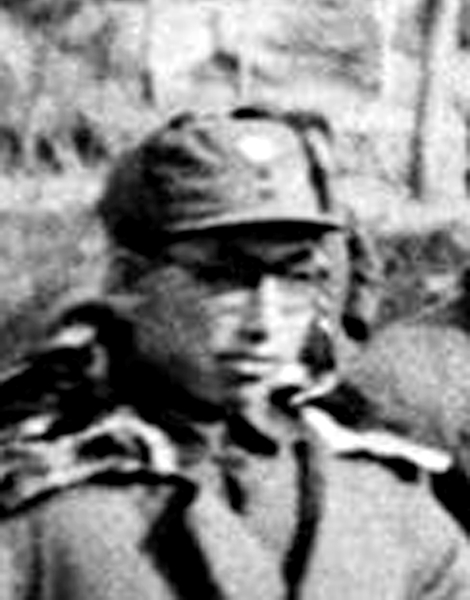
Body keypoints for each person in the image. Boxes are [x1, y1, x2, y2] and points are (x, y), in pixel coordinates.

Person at [0, 106, 468, 600]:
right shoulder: (37, 483)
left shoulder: (370, 482)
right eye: (223, 278)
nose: (264, 321)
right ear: (129, 279)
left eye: (295, 275)